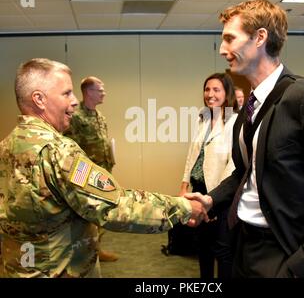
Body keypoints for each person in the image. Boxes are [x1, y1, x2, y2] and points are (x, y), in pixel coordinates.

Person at [185, 0, 304, 278]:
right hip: (246, 247)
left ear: (260, 38)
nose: (223, 50)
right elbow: (245, 173)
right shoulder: (249, 109)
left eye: (230, 39)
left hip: (288, 253)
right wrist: (210, 200)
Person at [0, 58, 207, 278]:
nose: (74, 101)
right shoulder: (58, 151)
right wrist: (183, 207)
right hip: (59, 270)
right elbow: (114, 206)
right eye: (66, 93)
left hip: (19, 267)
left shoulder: (6, 146)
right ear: (39, 99)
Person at [180, 73, 239, 278]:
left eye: (216, 90)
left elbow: (234, 164)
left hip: (219, 196)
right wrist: (184, 184)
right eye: (207, 89)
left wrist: (214, 197)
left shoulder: (234, 122)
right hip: (199, 192)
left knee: (222, 250)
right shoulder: (204, 117)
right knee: (203, 247)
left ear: (226, 93)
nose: (210, 94)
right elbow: (192, 153)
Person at [64, 76, 117, 262]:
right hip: (85, 174)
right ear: (88, 92)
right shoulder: (75, 116)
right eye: (100, 89)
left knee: (101, 211)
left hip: (102, 172)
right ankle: (84, 253)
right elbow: (70, 147)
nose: (104, 92)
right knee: (84, 215)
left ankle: (96, 250)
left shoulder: (99, 116)